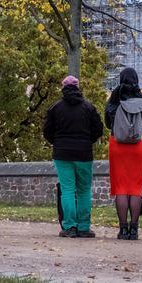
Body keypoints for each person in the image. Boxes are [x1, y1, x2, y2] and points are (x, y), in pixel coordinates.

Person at [43, 75, 103, 238]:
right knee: (84, 190)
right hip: (84, 153)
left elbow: (47, 131)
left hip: (62, 154)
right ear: (78, 87)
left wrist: (57, 142)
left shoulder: (56, 108)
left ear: (63, 88)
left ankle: (69, 226)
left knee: (67, 190)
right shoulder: (88, 107)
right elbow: (98, 129)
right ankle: (84, 227)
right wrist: (87, 141)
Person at [105, 67, 142, 241]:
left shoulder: (114, 100)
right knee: (135, 188)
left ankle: (123, 229)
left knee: (121, 188)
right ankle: (134, 230)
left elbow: (108, 123)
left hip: (117, 146)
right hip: (138, 146)